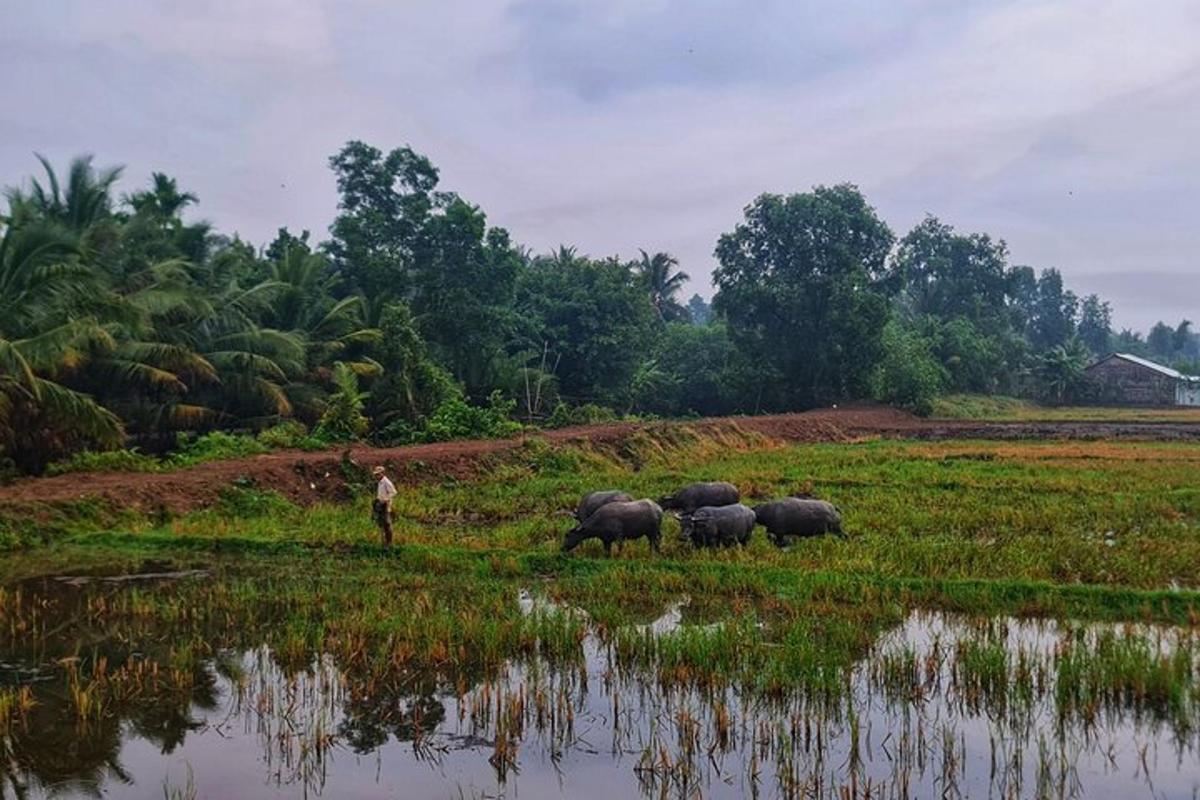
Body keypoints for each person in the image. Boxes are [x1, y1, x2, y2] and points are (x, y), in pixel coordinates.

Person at [372, 465, 396, 546]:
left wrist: (385, 499)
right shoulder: (380, 482)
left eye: (378, 474)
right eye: (376, 474)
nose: (376, 476)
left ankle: (389, 542)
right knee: (381, 522)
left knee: (387, 523)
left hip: (385, 505)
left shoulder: (387, 482)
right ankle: (384, 541)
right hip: (380, 504)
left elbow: (393, 492)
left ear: (382, 473)